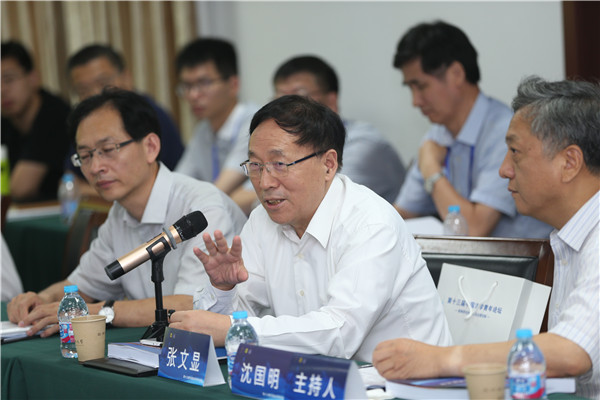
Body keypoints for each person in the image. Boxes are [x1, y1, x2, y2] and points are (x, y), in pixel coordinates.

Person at [169, 95, 452, 362]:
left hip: (407, 383)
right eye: (255, 165)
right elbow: (223, 322)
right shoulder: (262, 221)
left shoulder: (371, 223)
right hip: (316, 379)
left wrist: (236, 330)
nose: (265, 182)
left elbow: (340, 332)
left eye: (280, 164)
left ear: (328, 165)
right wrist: (223, 289)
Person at [373, 77, 599, 398]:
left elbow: (572, 351)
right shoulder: (567, 237)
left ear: (569, 162)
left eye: (515, 152)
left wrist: (439, 360)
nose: (504, 170)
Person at [7, 88, 247, 337]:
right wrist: (41, 299)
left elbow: (192, 305)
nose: (96, 167)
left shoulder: (201, 208)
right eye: (85, 156)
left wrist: (101, 312)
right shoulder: (119, 214)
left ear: (150, 146)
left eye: (108, 149)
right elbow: (81, 286)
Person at [391, 21, 552, 238]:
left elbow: (473, 230)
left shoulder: (506, 133)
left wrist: (432, 171)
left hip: (526, 258)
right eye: (410, 88)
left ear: (456, 74)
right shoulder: (435, 136)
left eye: (421, 86)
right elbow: (401, 214)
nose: (415, 101)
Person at [230, 55, 406, 214]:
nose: (287, 109)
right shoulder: (277, 147)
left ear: (331, 101)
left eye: (299, 98)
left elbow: (322, 199)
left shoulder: (364, 143)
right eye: (280, 100)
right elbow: (238, 198)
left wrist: (269, 199)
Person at [66, 44, 184, 174]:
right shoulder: (85, 124)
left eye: (103, 83)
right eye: (83, 90)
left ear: (126, 77)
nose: (95, 94)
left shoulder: (148, 115)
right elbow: (70, 177)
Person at [174, 38, 258, 195]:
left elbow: (219, 191)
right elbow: (178, 182)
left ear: (233, 85)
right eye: (187, 86)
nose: (193, 95)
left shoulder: (255, 123)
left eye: (204, 83)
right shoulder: (203, 130)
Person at [1, 40, 71, 202]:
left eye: (8, 79)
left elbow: (21, 188)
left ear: (33, 78)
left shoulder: (55, 114)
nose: (2, 90)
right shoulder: (5, 119)